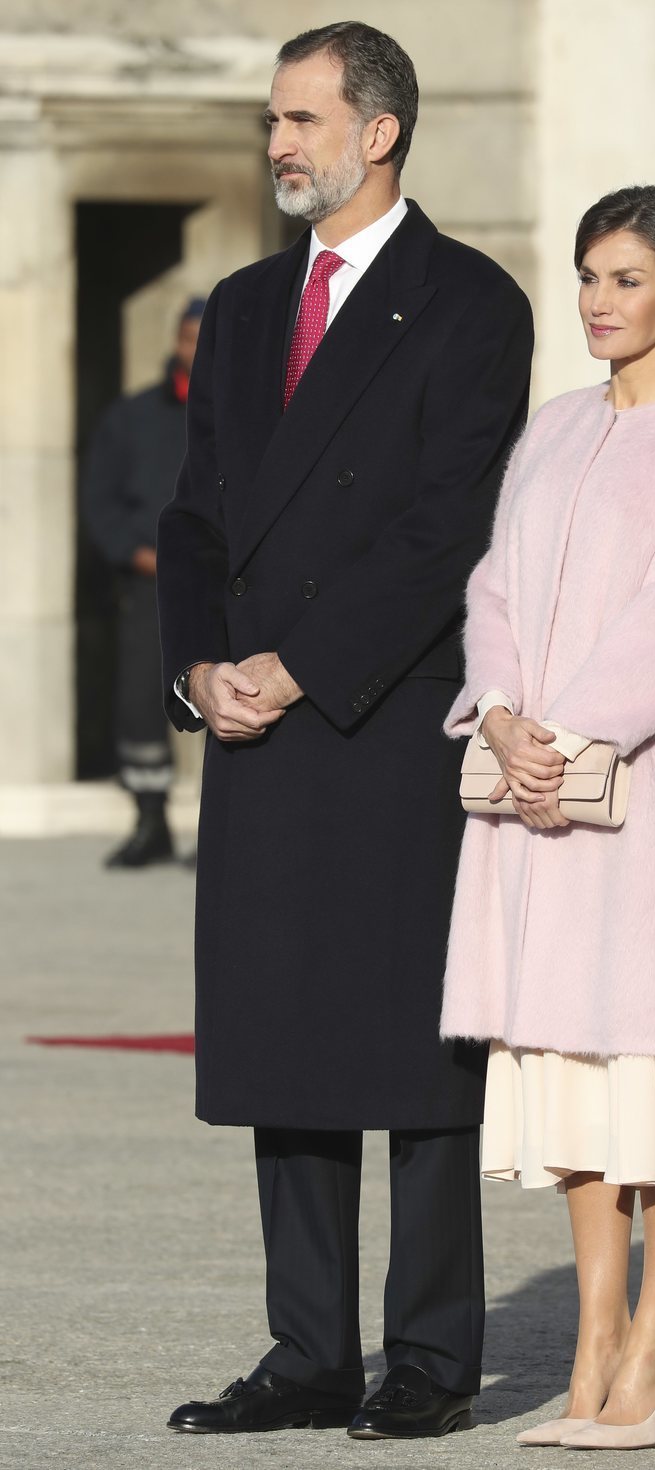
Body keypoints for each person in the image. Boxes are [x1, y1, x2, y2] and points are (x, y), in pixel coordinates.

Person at [155, 21, 533, 1441]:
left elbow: (450, 525)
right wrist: (201, 666)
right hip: (251, 723)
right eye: (273, 120)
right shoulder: (247, 305)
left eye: (302, 120)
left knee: (415, 1056)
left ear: (379, 131)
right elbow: (195, 514)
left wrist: (301, 664)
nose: (277, 145)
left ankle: (430, 1356)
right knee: (283, 1043)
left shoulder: (471, 303)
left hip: (383, 723)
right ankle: (307, 1349)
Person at [440, 185, 655, 1450]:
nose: (597, 301)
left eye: (626, 279)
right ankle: (592, 1336)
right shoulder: (553, 431)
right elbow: (495, 586)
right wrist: (503, 709)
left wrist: (571, 731)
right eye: (587, 276)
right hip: (533, 793)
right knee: (567, 1066)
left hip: (650, 800)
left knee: (647, 1063)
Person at [82, 301, 203, 868]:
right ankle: (150, 820)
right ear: (175, 342)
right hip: (147, 585)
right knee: (138, 703)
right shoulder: (130, 418)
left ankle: (217, 833)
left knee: (225, 700)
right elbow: (99, 499)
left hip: (219, 584)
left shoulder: (245, 410)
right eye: (188, 339)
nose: (195, 351)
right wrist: (133, 553)